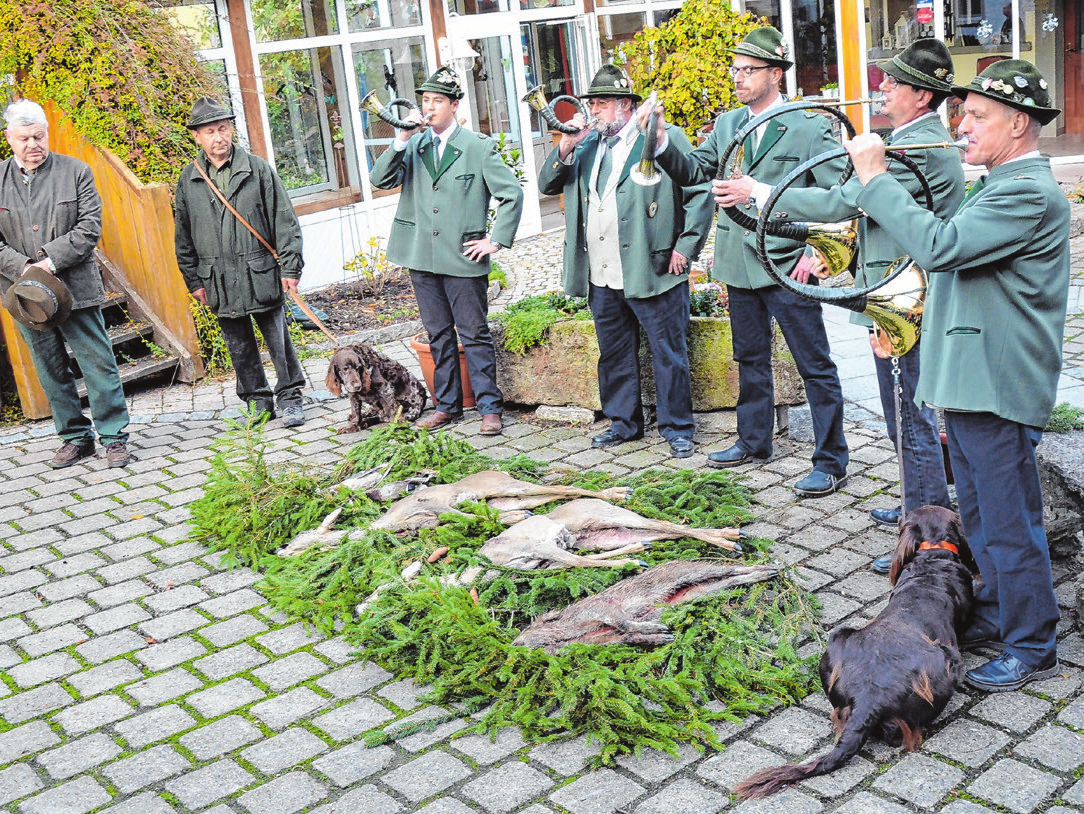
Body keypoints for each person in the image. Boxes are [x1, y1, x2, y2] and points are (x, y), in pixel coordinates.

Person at [845, 59, 1068, 692]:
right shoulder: (1000, 183)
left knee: (1007, 517)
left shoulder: (1026, 190)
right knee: (979, 507)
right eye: (962, 114)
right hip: (973, 379)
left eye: (976, 115)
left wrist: (875, 177)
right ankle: (998, 611)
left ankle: (1032, 642)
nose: (961, 126)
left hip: (995, 384)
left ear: (1018, 124)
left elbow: (941, 247)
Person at [750, 40, 962, 571]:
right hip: (891, 295)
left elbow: (843, 200)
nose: (882, 89)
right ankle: (919, 503)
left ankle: (926, 532)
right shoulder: (907, 141)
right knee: (901, 415)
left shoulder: (916, 148)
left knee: (910, 417)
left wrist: (762, 192)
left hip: (905, 300)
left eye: (892, 83)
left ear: (920, 95)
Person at [644, 26, 849, 496]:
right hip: (739, 264)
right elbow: (696, 170)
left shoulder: (809, 122)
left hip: (787, 261)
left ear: (775, 74)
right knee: (749, 357)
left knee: (814, 364)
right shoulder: (728, 123)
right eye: (734, 70)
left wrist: (817, 251)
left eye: (748, 70)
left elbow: (836, 194)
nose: (737, 78)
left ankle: (831, 459)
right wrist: (659, 144)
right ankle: (754, 440)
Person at [538, 66, 714, 458]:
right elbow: (547, 186)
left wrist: (686, 246)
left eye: (600, 103)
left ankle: (677, 427)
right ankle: (624, 422)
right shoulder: (586, 145)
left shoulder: (662, 138)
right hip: (601, 271)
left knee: (668, 352)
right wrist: (568, 143)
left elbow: (700, 190)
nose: (594, 110)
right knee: (613, 350)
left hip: (653, 268)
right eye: (592, 103)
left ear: (624, 105)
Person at [370, 66, 523, 436]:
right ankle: (448, 405)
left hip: (463, 255)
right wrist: (401, 138)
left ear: (454, 105)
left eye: (438, 101)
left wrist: (495, 240)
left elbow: (511, 194)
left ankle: (489, 407)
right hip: (421, 255)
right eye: (426, 100)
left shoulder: (477, 146)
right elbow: (380, 180)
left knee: (474, 333)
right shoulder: (415, 144)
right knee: (437, 334)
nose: (430, 107)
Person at [0, 99, 132, 469]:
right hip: (24, 294)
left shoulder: (77, 171)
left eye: (39, 136)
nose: (33, 144)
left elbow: (89, 226)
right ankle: (75, 438)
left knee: (97, 363)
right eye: (25, 138)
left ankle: (114, 437)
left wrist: (48, 261)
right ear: (9, 138)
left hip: (75, 287)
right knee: (50, 368)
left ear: (47, 133)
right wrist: (25, 267)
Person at [174, 97, 307, 428]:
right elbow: (183, 236)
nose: (218, 137)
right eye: (209, 131)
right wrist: (194, 280)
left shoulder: (258, 169)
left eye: (223, 128)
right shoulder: (188, 179)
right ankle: (257, 400)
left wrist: (290, 269)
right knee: (238, 345)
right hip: (217, 277)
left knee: (278, 339)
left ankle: (290, 397)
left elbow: (284, 221)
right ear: (197, 137)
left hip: (260, 271)